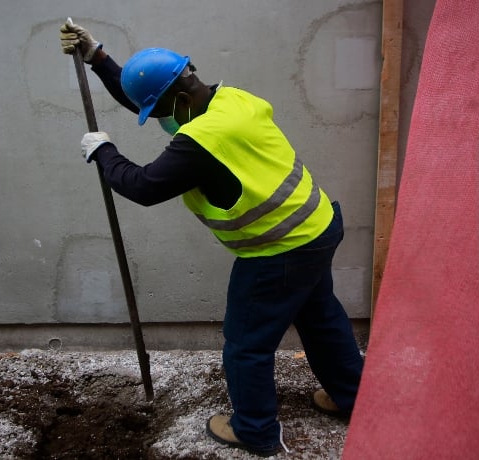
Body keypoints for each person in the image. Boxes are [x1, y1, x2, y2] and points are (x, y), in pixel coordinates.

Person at [60, 21, 364, 457]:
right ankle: (353, 397)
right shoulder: (227, 98)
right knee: (321, 318)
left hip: (277, 251)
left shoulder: (202, 140)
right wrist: (99, 59)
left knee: (246, 343)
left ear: (181, 100)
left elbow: (145, 187)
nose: (158, 120)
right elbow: (149, 97)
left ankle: (256, 431)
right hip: (317, 227)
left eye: (162, 112)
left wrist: (103, 152)